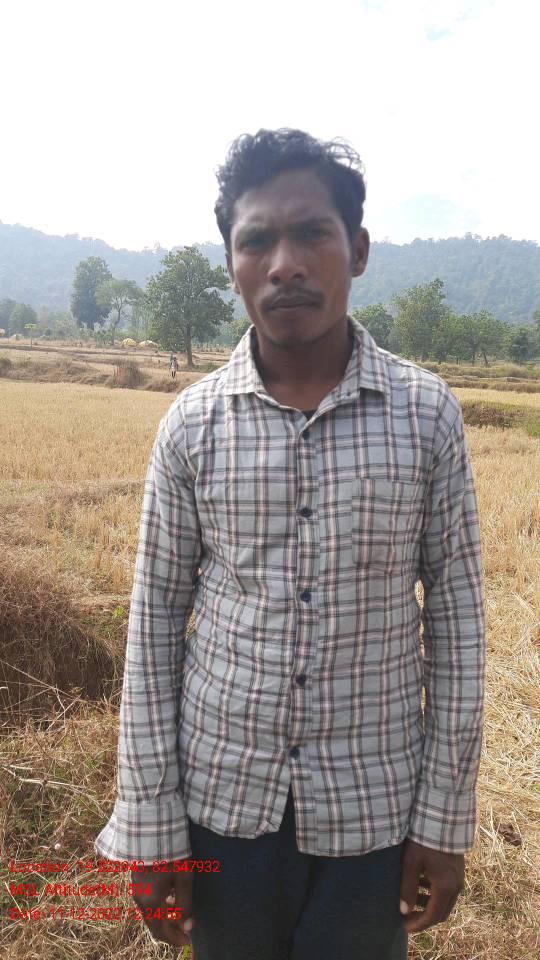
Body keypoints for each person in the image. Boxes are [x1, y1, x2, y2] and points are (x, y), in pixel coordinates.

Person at [95, 129, 486, 960]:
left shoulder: (427, 418)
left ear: (359, 250)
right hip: (220, 804)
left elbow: (458, 623)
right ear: (231, 263)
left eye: (312, 233)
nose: (284, 265)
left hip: (374, 811)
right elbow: (153, 629)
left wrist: (445, 818)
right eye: (257, 241)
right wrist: (152, 828)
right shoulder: (191, 427)